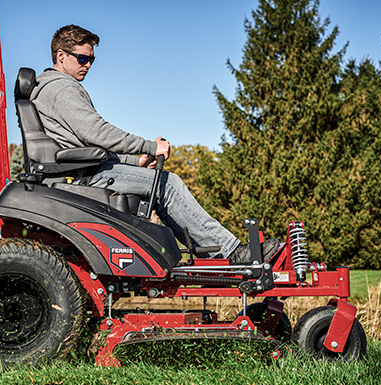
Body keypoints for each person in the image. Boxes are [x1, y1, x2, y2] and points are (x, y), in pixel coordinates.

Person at [30, 24, 279, 263]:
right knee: (167, 184)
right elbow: (97, 133)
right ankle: (230, 253)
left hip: (82, 170)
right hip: (82, 176)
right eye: (82, 59)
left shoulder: (54, 88)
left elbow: (83, 146)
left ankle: (210, 254)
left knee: (161, 183)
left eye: (92, 60)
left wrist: (134, 161)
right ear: (61, 55)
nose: (88, 65)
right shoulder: (62, 89)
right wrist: (149, 147)